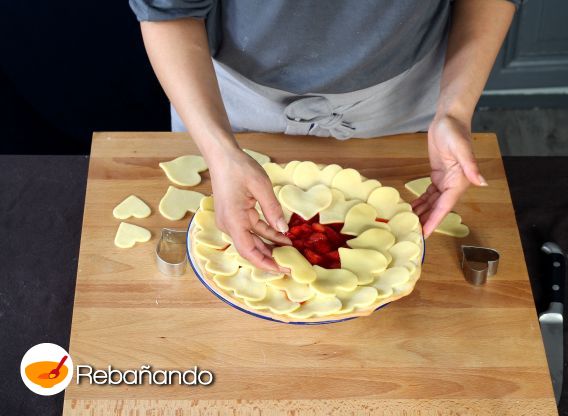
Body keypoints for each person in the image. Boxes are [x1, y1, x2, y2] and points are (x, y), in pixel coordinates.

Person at [130, 0, 518, 272]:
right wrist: (220, 152)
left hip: (407, 96)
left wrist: (453, 111)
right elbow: (169, 11)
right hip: (224, 99)